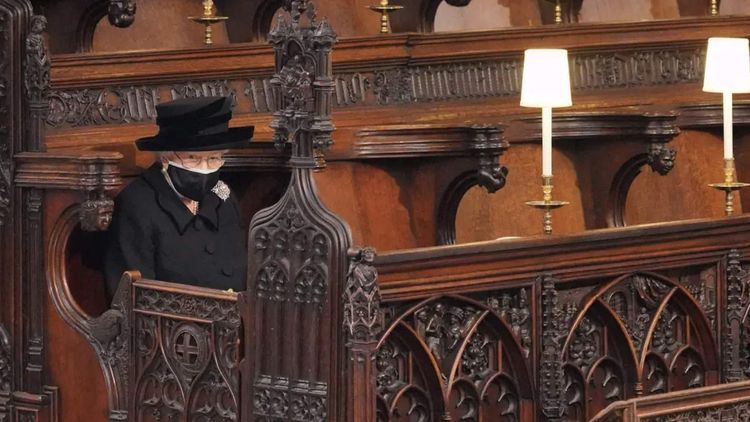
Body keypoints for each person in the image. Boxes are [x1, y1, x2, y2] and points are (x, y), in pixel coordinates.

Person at [104, 96, 254, 298]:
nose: (204, 169)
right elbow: (134, 298)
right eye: (193, 158)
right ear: (166, 157)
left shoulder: (223, 193)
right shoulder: (137, 205)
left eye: (213, 158)